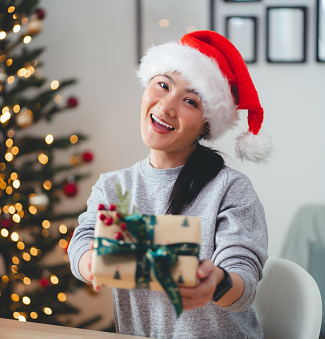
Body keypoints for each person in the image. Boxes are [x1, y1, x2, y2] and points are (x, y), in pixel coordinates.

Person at [68, 30, 272, 338]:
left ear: (207, 125)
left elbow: (243, 281)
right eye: (163, 85)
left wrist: (216, 282)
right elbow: (83, 240)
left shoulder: (231, 189)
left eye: (190, 100)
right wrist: (92, 262)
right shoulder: (112, 186)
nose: (166, 106)